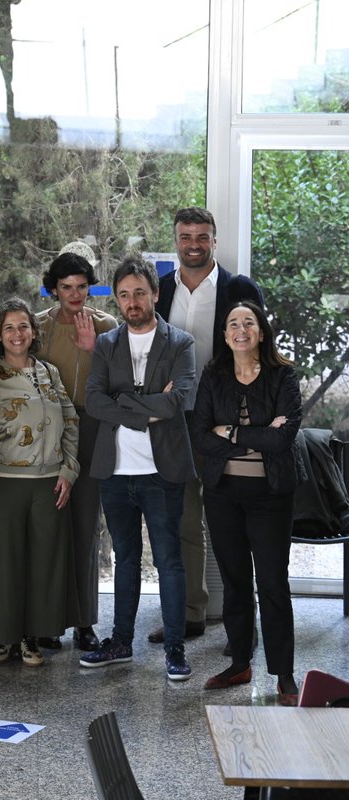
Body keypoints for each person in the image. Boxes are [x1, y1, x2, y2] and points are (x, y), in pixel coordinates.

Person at [152, 206, 265, 644]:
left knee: (233, 522)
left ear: (214, 241)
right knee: (182, 519)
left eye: (202, 236)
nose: (194, 244)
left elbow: (256, 347)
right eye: (186, 236)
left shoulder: (239, 288)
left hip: (225, 424)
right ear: (176, 240)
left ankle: (242, 626)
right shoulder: (161, 289)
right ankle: (190, 615)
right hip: (174, 422)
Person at [81, 257, 195, 681]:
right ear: (117, 298)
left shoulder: (180, 342)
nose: (132, 302)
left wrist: (123, 402)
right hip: (115, 470)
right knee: (124, 559)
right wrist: (145, 408)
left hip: (162, 471)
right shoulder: (108, 343)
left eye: (140, 293)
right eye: (124, 295)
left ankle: (176, 650)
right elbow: (94, 401)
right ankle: (121, 642)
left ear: (155, 294)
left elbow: (177, 401)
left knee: (168, 561)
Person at [192, 301, 302, 703]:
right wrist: (257, 434)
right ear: (225, 335)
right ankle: (240, 663)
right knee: (236, 583)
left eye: (249, 322)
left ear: (261, 330)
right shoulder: (214, 375)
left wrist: (232, 434)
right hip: (223, 496)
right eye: (233, 324)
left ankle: (285, 674)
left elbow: (282, 440)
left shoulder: (282, 375)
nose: (241, 329)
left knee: (272, 583)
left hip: (270, 496)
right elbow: (202, 437)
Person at [0, 297, 79, 668]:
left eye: (23, 326)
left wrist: (69, 470)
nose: (17, 334)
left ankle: (33, 637)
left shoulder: (49, 372)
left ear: (34, 331)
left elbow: (71, 421)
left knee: (43, 562)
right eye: (9, 328)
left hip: (50, 483)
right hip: (4, 481)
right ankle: (3, 639)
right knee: (3, 564)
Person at [33, 247, 118, 652]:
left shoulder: (106, 326)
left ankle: (85, 622)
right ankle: (48, 620)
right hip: (47, 428)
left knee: (86, 525)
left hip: (92, 426)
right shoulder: (36, 327)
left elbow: (121, 378)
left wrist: (93, 348)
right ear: (54, 289)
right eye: (66, 287)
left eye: (82, 286)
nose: (75, 293)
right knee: (51, 525)